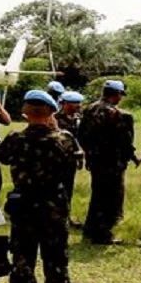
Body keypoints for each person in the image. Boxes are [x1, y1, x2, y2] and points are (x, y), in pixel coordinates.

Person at [0, 90, 79, 283]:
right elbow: (69, 168)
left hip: (24, 207)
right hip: (53, 206)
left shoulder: (15, 139)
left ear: (26, 114)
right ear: (52, 112)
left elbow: (1, 158)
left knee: (22, 260)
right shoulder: (64, 139)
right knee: (56, 260)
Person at [77, 80, 138, 245]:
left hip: (95, 161)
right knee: (110, 198)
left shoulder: (89, 109)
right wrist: (130, 156)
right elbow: (124, 141)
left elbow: (81, 135)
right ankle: (103, 234)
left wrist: (90, 153)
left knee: (97, 195)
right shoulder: (118, 114)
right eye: (120, 95)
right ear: (116, 94)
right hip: (112, 162)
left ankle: (90, 229)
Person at [54, 91, 87, 220]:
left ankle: (65, 216)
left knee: (68, 188)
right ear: (64, 104)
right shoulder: (55, 118)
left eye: (79, 103)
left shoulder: (78, 119)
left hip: (71, 159)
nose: (78, 106)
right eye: (74, 103)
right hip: (57, 159)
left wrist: (79, 157)